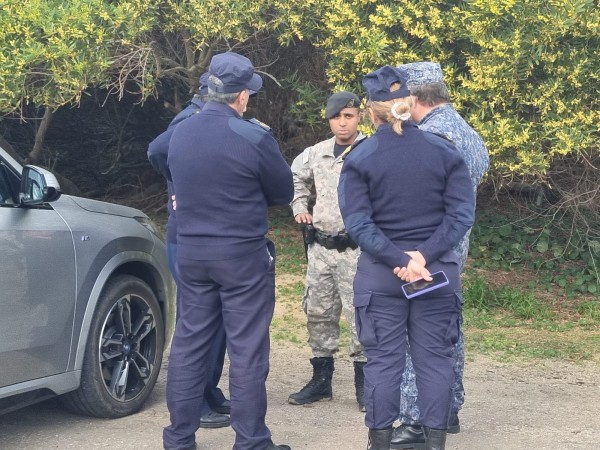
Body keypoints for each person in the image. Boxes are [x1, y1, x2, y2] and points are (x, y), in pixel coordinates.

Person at [337, 65, 475, 450]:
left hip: (382, 275)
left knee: (383, 364)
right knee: (435, 362)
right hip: (435, 274)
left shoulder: (361, 157)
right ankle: (434, 445)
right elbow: (461, 214)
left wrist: (400, 257)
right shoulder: (444, 151)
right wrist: (423, 256)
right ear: (410, 103)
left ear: (369, 110)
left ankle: (379, 443)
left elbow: (358, 223)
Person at [163, 51, 294, 450]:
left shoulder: (181, 131)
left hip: (191, 252)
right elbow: (283, 192)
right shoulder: (253, 136)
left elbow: (162, 159)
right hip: (240, 256)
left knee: (187, 345)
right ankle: (252, 442)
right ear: (242, 97)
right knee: (247, 349)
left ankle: (179, 440)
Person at [390, 62, 490, 450]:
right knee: (446, 330)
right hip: (450, 250)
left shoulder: (433, 136)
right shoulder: (467, 132)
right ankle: (446, 409)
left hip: (426, 251)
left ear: (412, 98)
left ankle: (416, 419)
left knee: (421, 334)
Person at [147, 72, 231, 430]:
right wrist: (178, 182)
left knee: (218, 324)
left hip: (204, 236)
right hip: (186, 236)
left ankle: (207, 390)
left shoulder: (211, 119)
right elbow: (155, 150)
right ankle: (193, 402)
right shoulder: (189, 119)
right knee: (197, 322)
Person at [288, 92, 367, 411]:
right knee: (318, 313)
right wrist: (299, 208)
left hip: (357, 250)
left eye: (349, 115)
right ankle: (322, 381)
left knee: (361, 316)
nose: (343, 122)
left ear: (358, 116)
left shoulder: (369, 151)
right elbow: (296, 180)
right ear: (329, 118)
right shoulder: (315, 153)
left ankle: (366, 385)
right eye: (337, 117)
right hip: (320, 248)